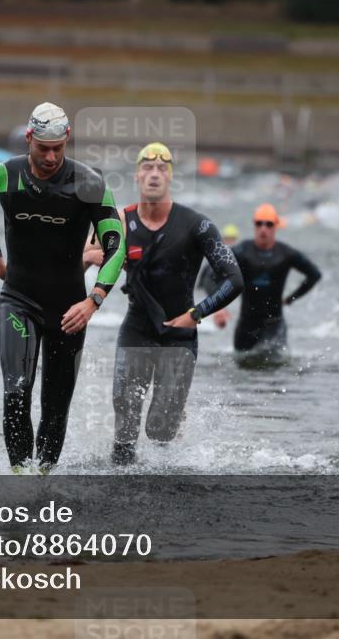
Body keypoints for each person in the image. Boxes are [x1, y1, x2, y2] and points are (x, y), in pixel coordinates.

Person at [0, 102, 126, 473]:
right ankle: (19, 476)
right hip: (19, 300)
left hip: (70, 310)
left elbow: (117, 244)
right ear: (29, 139)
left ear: (67, 139)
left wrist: (94, 300)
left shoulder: (89, 184)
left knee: (56, 405)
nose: (52, 156)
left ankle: (43, 477)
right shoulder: (1, 175)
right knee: (16, 391)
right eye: (44, 148)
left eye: (59, 148)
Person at [85, 142, 243, 465]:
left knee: (159, 431)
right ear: (137, 175)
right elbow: (82, 260)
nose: (154, 174)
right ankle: (119, 494)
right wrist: (89, 260)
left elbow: (234, 279)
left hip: (179, 336)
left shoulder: (196, 225)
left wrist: (197, 314)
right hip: (136, 329)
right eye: (147, 167)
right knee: (125, 426)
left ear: (170, 177)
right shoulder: (118, 220)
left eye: (161, 169)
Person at [207, 204, 321, 365]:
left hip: (274, 325)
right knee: (242, 368)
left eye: (269, 224)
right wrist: (218, 307)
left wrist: (290, 299)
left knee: (274, 368)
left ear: (276, 226)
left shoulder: (286, 254)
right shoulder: (242, 251)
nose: (263, 229)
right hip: (246, 325)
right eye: (259, 223)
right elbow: (212, 275)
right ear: (254, 225)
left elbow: (314, 275)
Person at [197, 223, 239, 328]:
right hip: (211, 282)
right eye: (228, 239)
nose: (230, 242)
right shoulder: (228, 253)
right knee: (220, 308)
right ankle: (219, 317)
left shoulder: (221, 251)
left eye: (232, 239)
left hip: (212, 283)